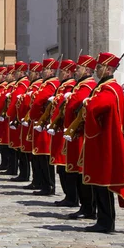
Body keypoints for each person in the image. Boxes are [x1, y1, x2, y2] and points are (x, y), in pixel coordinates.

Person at [79, 52, 124, 233]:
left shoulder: (110, 88)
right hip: (101, 140)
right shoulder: (105, 86)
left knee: (102, 182)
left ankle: (105, 222)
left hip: (104, 142)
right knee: (99, 182)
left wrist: (89, 102)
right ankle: (103, 220)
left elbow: (101, 105)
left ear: (109, 69)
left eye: (99, 67)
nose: (96, 69)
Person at [63, 54, 98, 220]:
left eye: (78, 68)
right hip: (75, 133)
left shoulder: (87, 85)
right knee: (76, 172)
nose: (75, 71)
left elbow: (77, 103)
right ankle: (84, 205)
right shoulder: (80, 85)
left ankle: (88, 207)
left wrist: (70, 98)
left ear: (87, 70)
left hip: (81, 134)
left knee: (81, 172)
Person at [47, 59, 77, 207]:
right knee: (61, 166)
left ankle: (72, 197)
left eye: (63, 71)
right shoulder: (63, 85)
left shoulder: (71, 85)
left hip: (65, 129)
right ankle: (68, 195)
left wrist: (57, 98)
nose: (60, 73)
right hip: (59, 128)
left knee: (64, 165)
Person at [30, 58, 60, 196]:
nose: (43, 71)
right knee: (39, 156)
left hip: (44, 124)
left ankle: (49, 186)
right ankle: (42, 183)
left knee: (45, 157)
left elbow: (39, 100)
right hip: (38, 123)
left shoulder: (52, 84)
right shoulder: (46, 83)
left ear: (52, 71)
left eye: (45, 69)